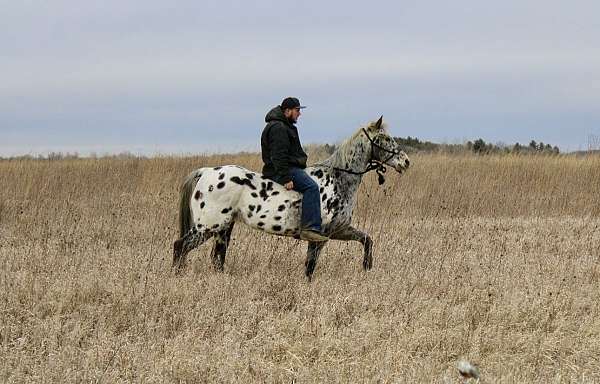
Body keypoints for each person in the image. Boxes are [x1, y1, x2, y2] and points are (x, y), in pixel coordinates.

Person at [261, 97, 328, 242]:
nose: (299, 114)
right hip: (281, 171)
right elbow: (278, 156)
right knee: (312, 187)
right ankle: (310, 229)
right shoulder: (278, 128)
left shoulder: (283, 125)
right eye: (297, 110)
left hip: (288, 168)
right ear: (287, 111)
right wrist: (285, 178)